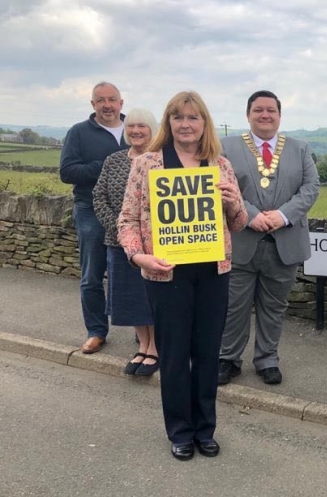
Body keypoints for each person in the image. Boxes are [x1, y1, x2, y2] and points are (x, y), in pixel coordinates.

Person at [118, 91, 247, 461]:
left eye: (193, 118)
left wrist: (232, 203)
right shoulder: (147, 165)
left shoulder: (219, 166)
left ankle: (205, 429)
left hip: (213, 274)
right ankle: (180, 431)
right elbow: (127, 220)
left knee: (207, 354)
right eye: (178, 118)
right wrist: (139, 256)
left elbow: (237, 224)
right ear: (168, 123)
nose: (186, 124)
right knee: (174, 357)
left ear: (204, 123)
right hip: (165, 274)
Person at [218, 90, 320, 386]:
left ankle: (267, 360)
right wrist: (251, 215)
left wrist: (283, 215)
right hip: (241, 240)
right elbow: (223, 186)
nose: (265, 115)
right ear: (248, 115)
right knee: (233, 306)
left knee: (274, 308)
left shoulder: (300, 148)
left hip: (284, 241)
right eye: (258, 110)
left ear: (279, 115)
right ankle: (228, 359)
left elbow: (311, 188)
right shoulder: (227, 146)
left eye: (271, 110)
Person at [60, 81, 126, 354]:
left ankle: (145, 332)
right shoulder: (78, 132)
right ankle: (96, 331)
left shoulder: (136, 128)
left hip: (134, 213)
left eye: (112, 99)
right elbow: (67, 172)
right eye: (101, 100)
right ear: (92, 104)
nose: (107, 105)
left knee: (142, 273)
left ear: (121, 103)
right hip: (91, 210)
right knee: (92, 275)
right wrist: (106, 166)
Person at [92, 108, 158, 376]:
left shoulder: (160, 160)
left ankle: (155, 348)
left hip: (153, 245)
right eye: (131, 126)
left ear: (152, 129)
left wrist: (141, 236)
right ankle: (142, 345)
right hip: (118, 243)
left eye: (142, 126)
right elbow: (99, 197)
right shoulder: (114, 160)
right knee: (129, 298)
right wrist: (122, 232)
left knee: (149, 297)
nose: (136, 131)